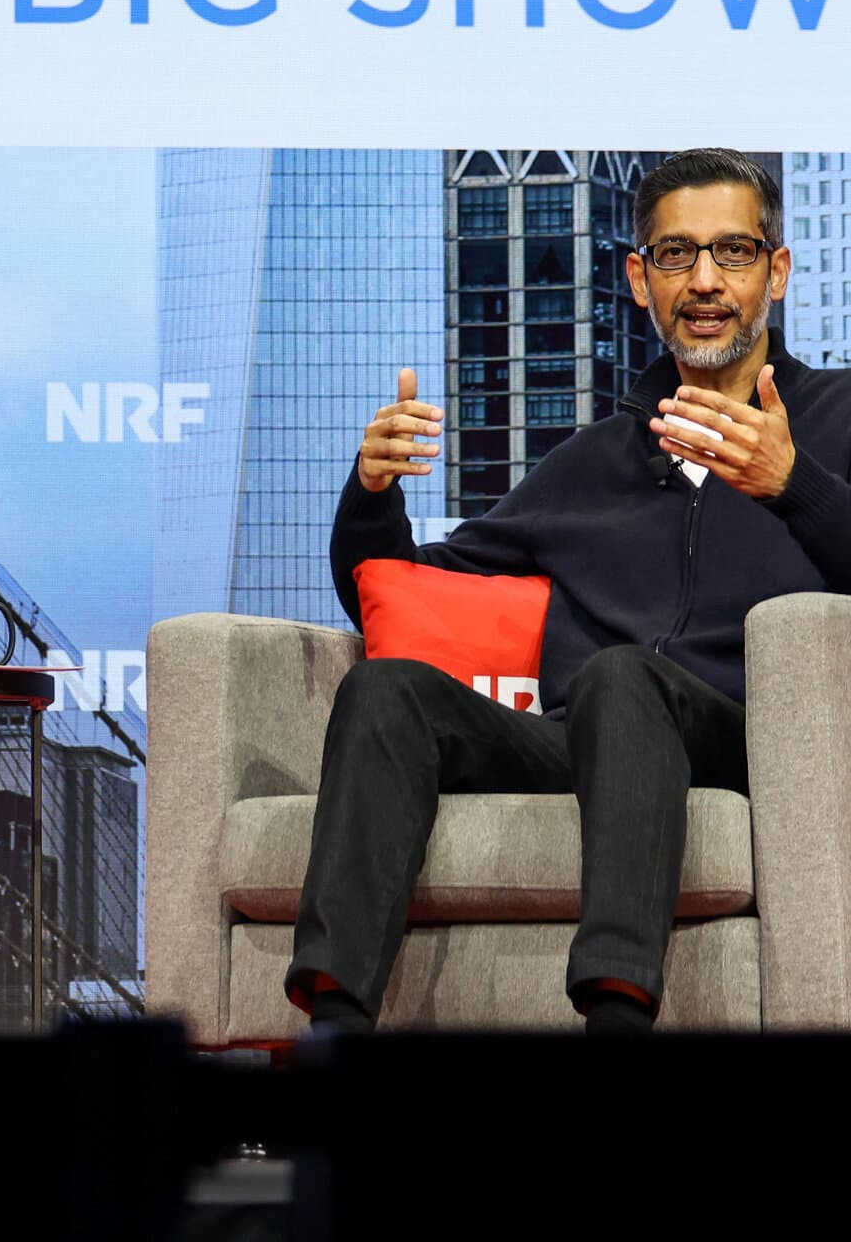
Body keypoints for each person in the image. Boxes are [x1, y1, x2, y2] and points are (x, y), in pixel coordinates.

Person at [287, 147, 851, 1036]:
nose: (705, 280)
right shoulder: (585, 465)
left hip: (751, 747)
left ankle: (616, 1022)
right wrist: (371, 493)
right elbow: (398, 592)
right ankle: (333, 1030)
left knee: (624, 676)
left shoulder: (840, 421)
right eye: (676, 255)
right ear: (639, 279)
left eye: (733, 252)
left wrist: (794, 483)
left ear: (776, 271)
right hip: (588, 739)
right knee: (385, 688)